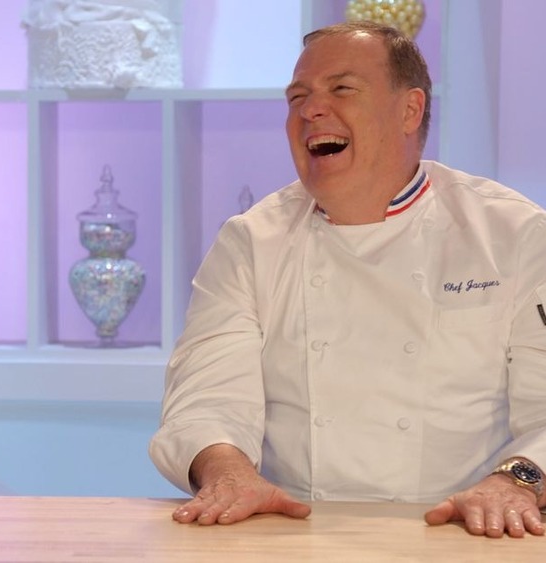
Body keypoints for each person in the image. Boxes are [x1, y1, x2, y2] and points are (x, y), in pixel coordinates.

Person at [150, 21, 546, 538]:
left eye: (341, 88)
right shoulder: (250, 241)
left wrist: (517, 482)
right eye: (297, 96)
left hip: (465, 535)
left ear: (410, 110)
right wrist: (228, 473)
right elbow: (206, 398)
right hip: (292, 535)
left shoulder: (511, 234)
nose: (310, 109)